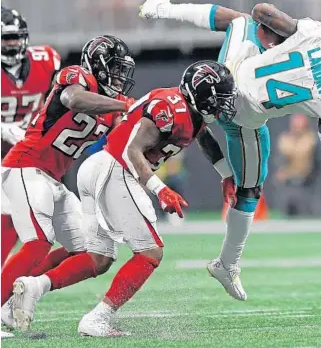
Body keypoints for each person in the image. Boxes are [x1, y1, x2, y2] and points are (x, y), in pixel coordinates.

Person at [139, 0, 321, 301]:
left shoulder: (317, 34)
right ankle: (227, 264)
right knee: (248, 193)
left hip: (229, 75)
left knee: (240, 21)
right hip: (241, 118)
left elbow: (261, 10)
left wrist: (273, 42)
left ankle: (162, 8)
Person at [10, 61, 237, 336]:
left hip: (100, 168)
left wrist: (225, 175)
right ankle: (98, 319)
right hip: (117, 169)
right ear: (200, 94)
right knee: (151, 252)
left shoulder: (189, 112)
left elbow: (205, 139)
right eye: (218, 100)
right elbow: (133, 150)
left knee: (98, 258)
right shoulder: (170, 107)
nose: (222, 107)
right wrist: (159, 188)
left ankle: (34, 286)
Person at [1, 35, 136, 329]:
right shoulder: (76, 76)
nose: (119, 77)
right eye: (114, 69)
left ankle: (21, 298)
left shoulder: (110, 108)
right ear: (98, 67)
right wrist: (123, 104)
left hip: (53, 179)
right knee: (38, 243)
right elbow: (72, 98)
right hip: (26, 166)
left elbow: (123, 140)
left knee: (97, 253)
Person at [1, 7, 61, 269]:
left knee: (24, 215)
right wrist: (3, 128)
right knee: (8, 212)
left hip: (28, 151)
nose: (12, 44)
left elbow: (58, 96)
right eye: (6, 38)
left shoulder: (46, 59)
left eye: (16, 37)